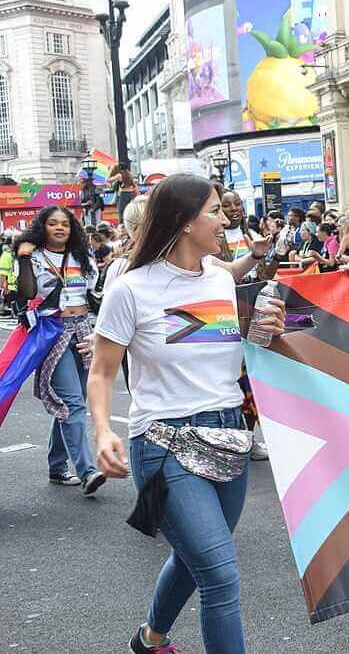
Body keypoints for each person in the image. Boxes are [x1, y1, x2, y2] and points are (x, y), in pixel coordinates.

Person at [88, 174, 286, 654]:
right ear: (183, 220)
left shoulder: (220, 279)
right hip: (163, 444)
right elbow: (100, 371)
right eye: (215, 210)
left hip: (229, 435)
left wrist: (264, 333)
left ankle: (149, 639)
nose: (226, 219)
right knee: (218, 573)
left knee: (192, 556)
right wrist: (100, 432)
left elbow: (230, 356)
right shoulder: (130, 289)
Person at [14, 207, 104, 494]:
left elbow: (94, 292)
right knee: (73, 402)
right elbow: (27, 293)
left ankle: (56, 465)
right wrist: (24, 257)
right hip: (54, 332)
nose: (59, 228)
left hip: (84, 330)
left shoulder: (82, 255)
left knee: (71, 401)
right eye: (52, 223)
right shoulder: (35, 257)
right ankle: (87, 470)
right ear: (42, 227)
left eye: (65, 224)